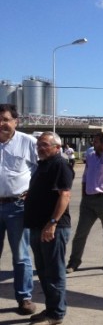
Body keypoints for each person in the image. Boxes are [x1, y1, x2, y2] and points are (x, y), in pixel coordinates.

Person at [24, 131, 74, 325]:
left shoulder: (60, 165)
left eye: (45, 144)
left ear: (57, 147)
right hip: (37, 226)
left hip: (53, 228)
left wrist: (52, 223)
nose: (40, 148)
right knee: (44, 271)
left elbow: (65, 196)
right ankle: (51, 309)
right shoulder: (44, 164)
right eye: (39, 145)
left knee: (54, 272)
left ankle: (56, 314)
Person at [0, 103, 37, 315]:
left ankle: (24, 298)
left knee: (21, 255)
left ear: (16, 121)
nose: (2, 124)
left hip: (17, 207)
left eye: (6, 119)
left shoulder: (28, 142)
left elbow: (43, 170)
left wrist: (34, 194)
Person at [67, 130, 103, 273]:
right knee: (81, 233)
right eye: (94, 141)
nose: (93, 143)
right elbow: (86, 177)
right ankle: (74, 262)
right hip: (88, 200)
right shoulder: (91, 156)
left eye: (97, 141)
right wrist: (84, 196)